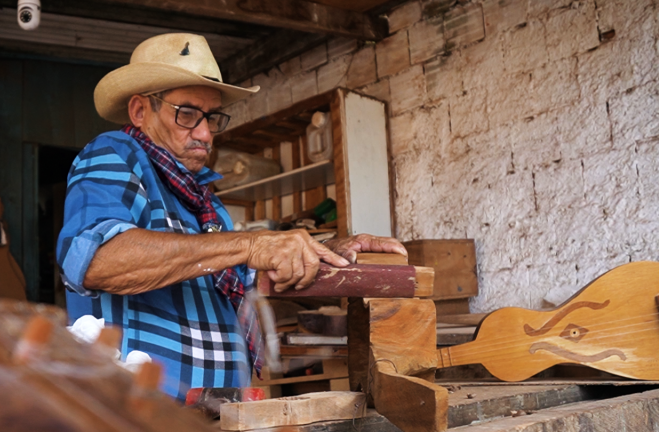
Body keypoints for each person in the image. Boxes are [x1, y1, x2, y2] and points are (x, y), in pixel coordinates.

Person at [56, 33, 406, 399]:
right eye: (187, 114)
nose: (205, 133)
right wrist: (249, 243)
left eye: (212, 117)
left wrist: (326, 249)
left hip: (221, 410)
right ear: (141, 111)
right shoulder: (114, 155)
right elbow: (94, 260)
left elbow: (246, 275)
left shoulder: (205, 202)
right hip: (143, 414)